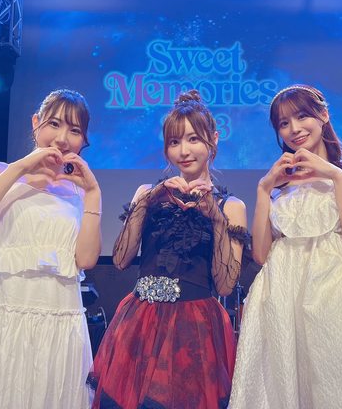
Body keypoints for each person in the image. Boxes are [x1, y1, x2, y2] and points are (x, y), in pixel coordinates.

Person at [230, 84, 342, 409]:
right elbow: (260, 255)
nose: (294, 129)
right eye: (284, 123)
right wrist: (262, 189)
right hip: (283, 295)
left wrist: (336, 177)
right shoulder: (278, 184)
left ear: (324, 115)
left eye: (302, 116)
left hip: (339, 292)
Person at [88, 90, 249, 409]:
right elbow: (120, 259)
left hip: (195, 326)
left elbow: (225, 285)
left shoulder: (231, 206)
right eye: (174, 142)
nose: (183, 151)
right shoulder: (147, 193)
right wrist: (147, 201)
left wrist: (216, 219)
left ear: (214, 139)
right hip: (140, 321)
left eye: (193, 139)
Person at [0, 89, 101, 409]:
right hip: (0, 321)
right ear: (35, 123)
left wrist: (94, 193)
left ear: (83, 140)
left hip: (59, 326)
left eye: (74, 130)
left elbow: (86, 259)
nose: (62, 138)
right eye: (54, 124)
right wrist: (18, 168)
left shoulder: (79, 191)